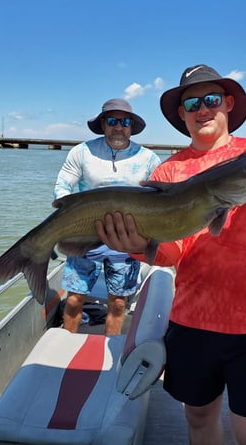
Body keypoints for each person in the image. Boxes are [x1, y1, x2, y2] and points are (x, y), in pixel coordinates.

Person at [95, 64, 246, 445]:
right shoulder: (169, 171)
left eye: (212, 100)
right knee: (200, 421)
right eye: (192, 103)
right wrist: (139, 247)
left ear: (229, 104)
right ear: (182, 114)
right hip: (192, 321)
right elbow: (172, 251)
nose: (202, 109)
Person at [53, 98, 161, 335]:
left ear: (132, 126)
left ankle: (110, 347)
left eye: (125, 121)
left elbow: (159, 200)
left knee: (119, 302)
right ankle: (67, 344)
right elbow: (62, 187)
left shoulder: (149, 159)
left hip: (126, 241)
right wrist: (68, 217)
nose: (118, 127)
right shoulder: (82, 152)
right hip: (85, 236)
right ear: (103, 124)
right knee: (73, 300)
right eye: (112, 121)